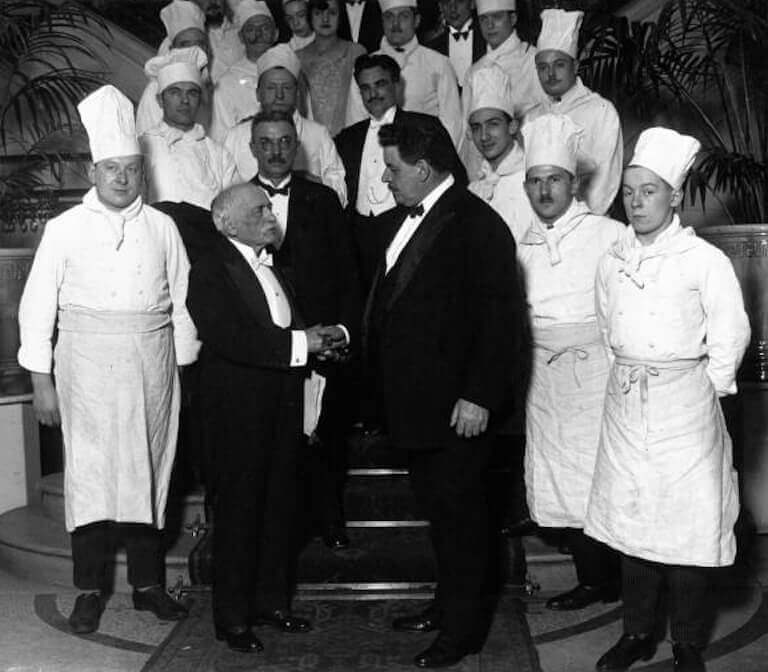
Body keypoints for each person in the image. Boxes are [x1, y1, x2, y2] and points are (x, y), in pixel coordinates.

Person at [17, 85, 199, 635]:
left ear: (143, 173)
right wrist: (41, 383)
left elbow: (185, 302)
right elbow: (36, 307)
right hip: (86, 370)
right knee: (92, 481)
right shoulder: (64, 229)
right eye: (111, 168)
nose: (122, 178)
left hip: (152, 364)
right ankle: (90, 591)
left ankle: (147, 587)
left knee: (148, 475)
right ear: (94, 172)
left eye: (131, 169)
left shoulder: (163, 227)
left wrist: (184, 372)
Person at [584, 128, 750, 672]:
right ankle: (636, 634)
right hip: (627, 404)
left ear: (674, 196)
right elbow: (608, 328)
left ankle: (687, 644)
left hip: (686, 405)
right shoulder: (612, 259)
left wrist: (711, 387)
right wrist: (628, 378)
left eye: (648, 191)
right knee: (634, 527)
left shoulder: (703, 260)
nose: (636, 202)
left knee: (686, 531)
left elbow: (731, 331)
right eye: (629, 191)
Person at [365, 111, 526, 668]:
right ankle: (445, 607)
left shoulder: (478, 225)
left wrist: (479, 395)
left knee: (463, 523)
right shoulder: (408, 218)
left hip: (460, 409)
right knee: (441, 517)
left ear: (425, 168)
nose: (386, 178)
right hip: (419, 406)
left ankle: (463, 632)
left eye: (392, 168)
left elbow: (501, 320)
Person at [186, 182, 344, 653]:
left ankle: (273, 604)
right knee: (238, 516)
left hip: (281, 407)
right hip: (237, 415)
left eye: (270, 207)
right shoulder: (210, 270)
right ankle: (233, 619)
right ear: (224, 221)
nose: (270, 214)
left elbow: (281, 329)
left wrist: (317, 339)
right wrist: (303, 344)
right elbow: (234, 339)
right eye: (258, 209)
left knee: (280, 506)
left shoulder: (277, 267)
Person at [517, 113, 624, 611]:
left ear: (573, 183)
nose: (544, 191)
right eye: (535, 181)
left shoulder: (608, 235)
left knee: (604, 477)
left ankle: (620, 581)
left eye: (553, 180)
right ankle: (591, 579)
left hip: (598, 374)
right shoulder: (522, 245)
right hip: (544, 377)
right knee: (560, 479)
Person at [249, 108, 361, 549]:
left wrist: (343, 331)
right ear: (252, 147)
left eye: (284, 142)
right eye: (266, 142)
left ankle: (329, 519)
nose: (276, 151)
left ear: (296, 147)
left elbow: (348, 275)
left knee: (327, 437)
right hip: (272, 344)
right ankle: (284, 529)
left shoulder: (324, 200)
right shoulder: (237, 203)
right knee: (277, 441)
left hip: (323, 341)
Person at [223, 44, 348, 204]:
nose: (279, 95)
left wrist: (314, 183)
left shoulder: (318, 134)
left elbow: (340, 194)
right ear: (258, 94)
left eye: (287, 88)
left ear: (297, 93)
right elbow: (226, 194)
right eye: (271, 88)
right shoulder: (237, 136)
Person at [526, 8, 622, 216]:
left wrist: (578, 224)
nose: (550, 74)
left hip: (587, 226)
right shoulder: (532, 117)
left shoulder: (601, 111)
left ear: (575, 66)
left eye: (559, 65)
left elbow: (605, 182)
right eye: (542, 67)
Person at [344, 0, 463, 148]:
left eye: (403, 16)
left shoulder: (439, 64)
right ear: (382, 21)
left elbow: (453, 124)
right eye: (389, 17)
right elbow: (355, 123)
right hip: (376, 157)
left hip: (425, 158)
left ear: (417, 20)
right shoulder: (366, 68)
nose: (395, 24)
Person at [139, 47, 239, 209]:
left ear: (200, 100)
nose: (184, 100)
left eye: (192, 93)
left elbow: (234, 207)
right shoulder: (143, 147)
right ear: (160, 100)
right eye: (175, 92)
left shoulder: (218, 154)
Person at [335, 54, 403, 292]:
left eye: (380, 84)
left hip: (403, 229)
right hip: (359, 239)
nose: (373, 94)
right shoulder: (347, 138)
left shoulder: (423, 126)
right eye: (365, 88)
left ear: (396, 85)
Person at [459, 0, 541, 174]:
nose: (490, 25)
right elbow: (469, 135)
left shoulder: (533, 60)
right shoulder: (474, 70)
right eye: (483, 19)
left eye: (497, 17)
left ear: (512, 18)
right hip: (484, 170)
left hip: (527, 163)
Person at [466, 62, 532, 243]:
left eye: (493, 124)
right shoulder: (475, 188)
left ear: (512, 127)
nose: (484, 136)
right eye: (476, 127)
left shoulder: (531, 180)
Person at [136, 0, 213, 135]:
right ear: (172, 49)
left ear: (207, 48)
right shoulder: (156, 89)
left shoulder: (205, 85)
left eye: (199, 44)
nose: (193, 50)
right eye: (185, 44)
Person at [210, 0, 279, 141]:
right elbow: (221, 139)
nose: (258, 34)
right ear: (241, 37)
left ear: (276, 34)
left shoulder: (292, 73)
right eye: (251, 29)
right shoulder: (226, 83)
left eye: (265, 28)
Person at [296, 0, 366, 137]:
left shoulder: (355, 52)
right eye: (318, 13)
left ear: (341, 16)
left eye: (332, 13)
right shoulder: (298, 58)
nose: (325, 19)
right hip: (311, 139)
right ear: (310, 17)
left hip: (351, 136)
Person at [424, 0, 486, 90]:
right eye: (446, 2)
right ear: (440, 7)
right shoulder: (431, 48)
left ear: (472, 3)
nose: (453, 8)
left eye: (459, 1)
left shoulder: (489, 40)